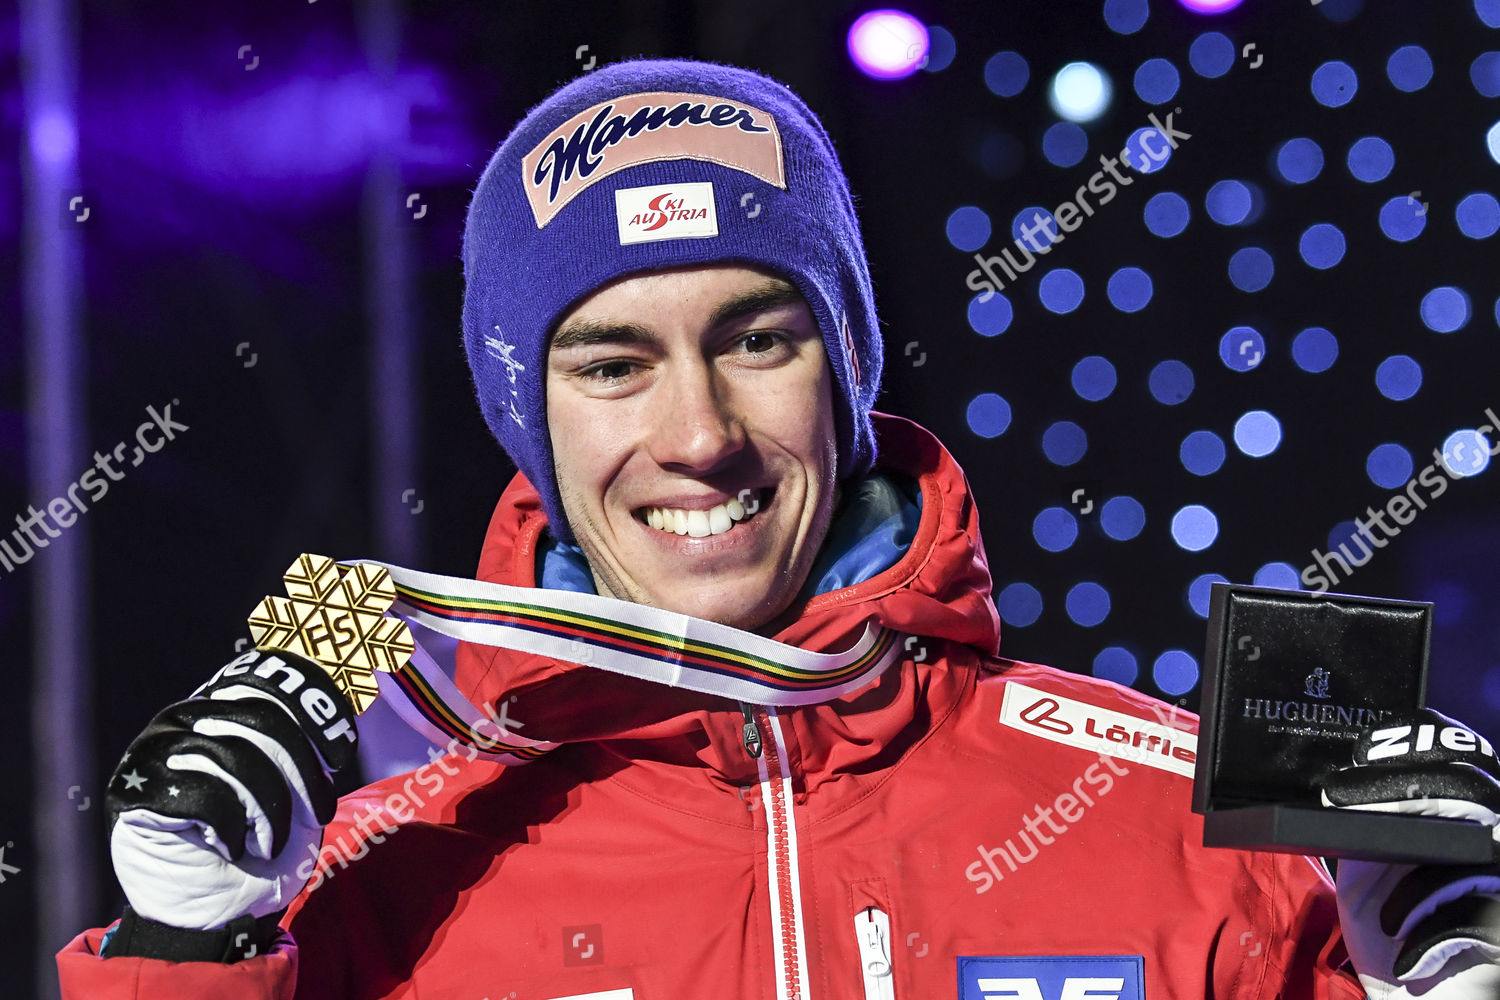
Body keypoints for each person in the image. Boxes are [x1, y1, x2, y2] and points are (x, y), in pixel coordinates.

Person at [56, 57, 1499, 1000]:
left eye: (757, 338)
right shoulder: (372, 882)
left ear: (852, 366)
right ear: (529, 421)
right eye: (611, 363)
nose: (697, 435)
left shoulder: (1201, 814)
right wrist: (187, 951)